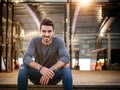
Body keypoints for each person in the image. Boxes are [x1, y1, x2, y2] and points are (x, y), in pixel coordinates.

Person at [17, 18, 73, 90]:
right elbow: (26, 57)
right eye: (44, 31)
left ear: (53, 32)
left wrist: (51, 70)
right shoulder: (34, 41)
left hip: (53, 76)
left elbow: (65, 57)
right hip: (37, 76)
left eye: (49, 31)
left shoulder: (59, 41)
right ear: (40, 31)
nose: (46, 34)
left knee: (66, 67)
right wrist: (41, 68)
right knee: (23, 66)